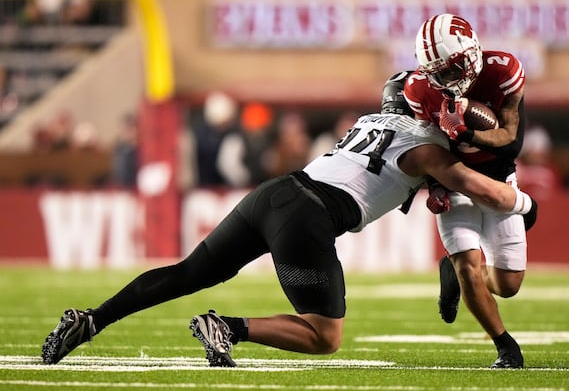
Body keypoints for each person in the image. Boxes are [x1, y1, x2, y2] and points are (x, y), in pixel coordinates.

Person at [41, 72, 537, 368]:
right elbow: (482, 189)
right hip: (310, 218)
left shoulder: (371, 122)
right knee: (325, 336)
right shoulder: (427, 147)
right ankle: (226, 328)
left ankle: (91, 319)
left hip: (275, 194)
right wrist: (525, 205)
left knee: (188, 272)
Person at [404, 13, 531, 368]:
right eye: (437, 74)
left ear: (472, 53)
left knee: (508, 285)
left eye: (451, 69)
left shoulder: (502, 71)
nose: (444, 81)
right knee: (468, 266)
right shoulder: (418, 89)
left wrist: (466, 132)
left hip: (496, 175)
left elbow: (510, 140)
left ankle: (456, 272)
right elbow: (425, 145)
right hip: (453, 176)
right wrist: (433, 184)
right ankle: (505, 346)